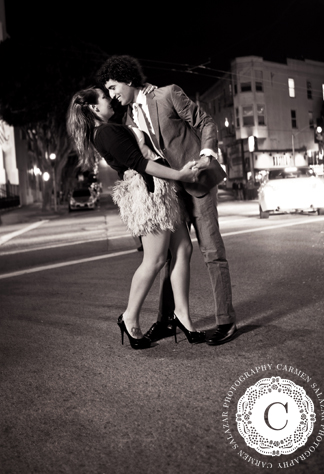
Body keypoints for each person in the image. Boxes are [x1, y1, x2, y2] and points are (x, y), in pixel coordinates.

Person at [97, 55, 237, 346]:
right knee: (173, 255)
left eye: (113, 87)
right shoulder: (128, 118)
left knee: (211, 251)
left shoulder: (168, 93)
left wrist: (206, 155)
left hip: (196, 180)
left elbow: (205, 122)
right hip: (170, 190)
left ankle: (226, 320)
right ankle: (166, 321)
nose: (112, 95)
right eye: (108, 91)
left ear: (128, 79)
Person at [67, 86, 204, 349]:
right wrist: (181, 176)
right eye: (105, 97)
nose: (110, 99)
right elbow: (140, 164)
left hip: (160, 189)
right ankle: (129, 316)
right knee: (155, 259)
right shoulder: (105, 132)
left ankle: (182, 316)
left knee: (183, 248)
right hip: (149, 191)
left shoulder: (109, 127)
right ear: (94, 108)